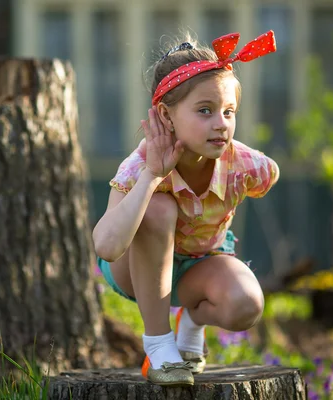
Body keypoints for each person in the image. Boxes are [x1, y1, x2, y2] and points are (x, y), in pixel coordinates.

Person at [92, 30, 280, 386]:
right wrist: (151, 177)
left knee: (247, 305)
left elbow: (269, 174)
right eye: (205, 111)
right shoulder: (138, 168)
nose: (221, 124)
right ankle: (160, 346)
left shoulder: (244, 165)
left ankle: (192, 321)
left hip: (199, 267)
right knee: (158, 207)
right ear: (166, 115)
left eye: (228, 112)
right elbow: (107, 246)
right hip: (134, 270)